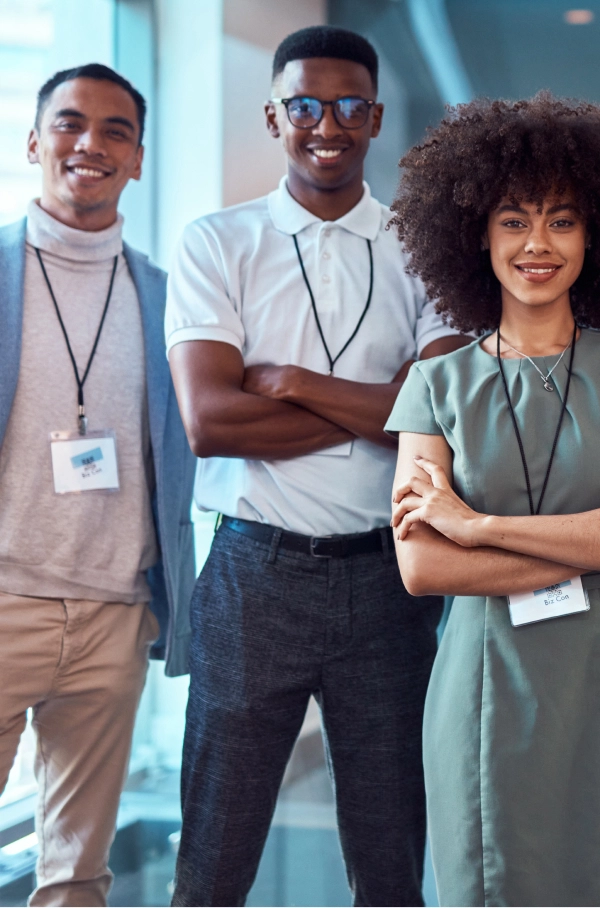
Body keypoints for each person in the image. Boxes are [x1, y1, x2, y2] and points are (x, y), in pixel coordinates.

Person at [165, 26, 468, 907]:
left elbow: (435, 415)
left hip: (391, 577)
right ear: (274, 116)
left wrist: (294, 384)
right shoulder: (217, 242)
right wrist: (377, 404)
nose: (324, 124)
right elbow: (212, 421)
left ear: (375, 118)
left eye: (346, 106)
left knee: (390, 860)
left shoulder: (427, 249)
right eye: (303, 105)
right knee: (214, 857)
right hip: (253, 572)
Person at [384, 93, 600, 907]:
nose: (537, 244)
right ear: (476, 237)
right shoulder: (435, 384)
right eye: (515, 220)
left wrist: (476, 526)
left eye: (562, 221)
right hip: (485, 675)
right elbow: (422, 564)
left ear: (595, 238)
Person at [0, 64, 195, 906]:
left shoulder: (168, 299)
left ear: (140, 159)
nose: (91, 143)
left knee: (78, 875)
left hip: (115, 618)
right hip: (4, 603)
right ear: (34, 141)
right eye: (71, 124)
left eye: (116, 130)